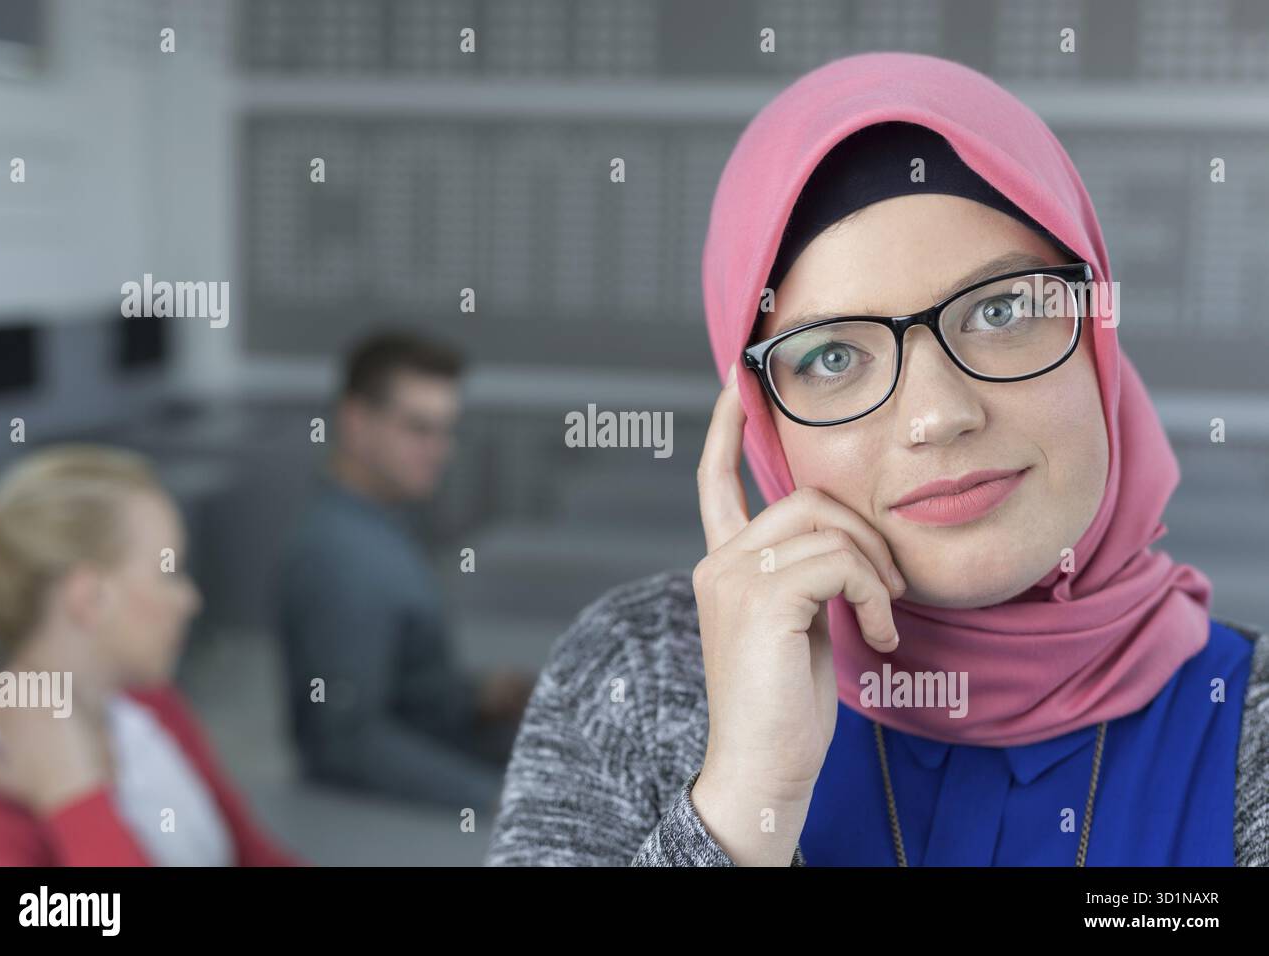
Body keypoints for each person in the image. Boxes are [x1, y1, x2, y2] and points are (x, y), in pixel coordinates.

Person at [485, 52, 1269, 866]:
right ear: (759, 421)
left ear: (1097, 334)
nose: (939, 414)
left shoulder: (1247, 721)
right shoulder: (635, 683)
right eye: (831, 357)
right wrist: (743, 804)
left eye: (1000, 310)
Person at [0, 445, 298, 866]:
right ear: (90, 598)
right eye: (170, 573)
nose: (190, 600)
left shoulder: (152, 705)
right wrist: (75, 798)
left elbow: (251, 856)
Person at [276, 330, 533, 813]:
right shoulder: (341, 556)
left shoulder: (379, 521)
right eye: (418, 429)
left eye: (446, 430)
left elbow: (400, 690)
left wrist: (477, 695)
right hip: (396, 810)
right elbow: (346, 743)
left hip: (448, 750)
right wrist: (497, 801)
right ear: (356, 422)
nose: (442, 450)